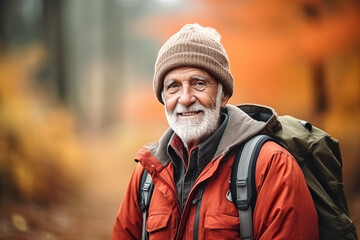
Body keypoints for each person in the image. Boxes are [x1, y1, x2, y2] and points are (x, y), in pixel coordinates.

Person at [112, 23, 319, 240]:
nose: (185, 98)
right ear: (163, 97)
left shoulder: (271, 166)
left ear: (224, 95)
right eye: (173, 86)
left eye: (199, 83)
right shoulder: (147, 174)